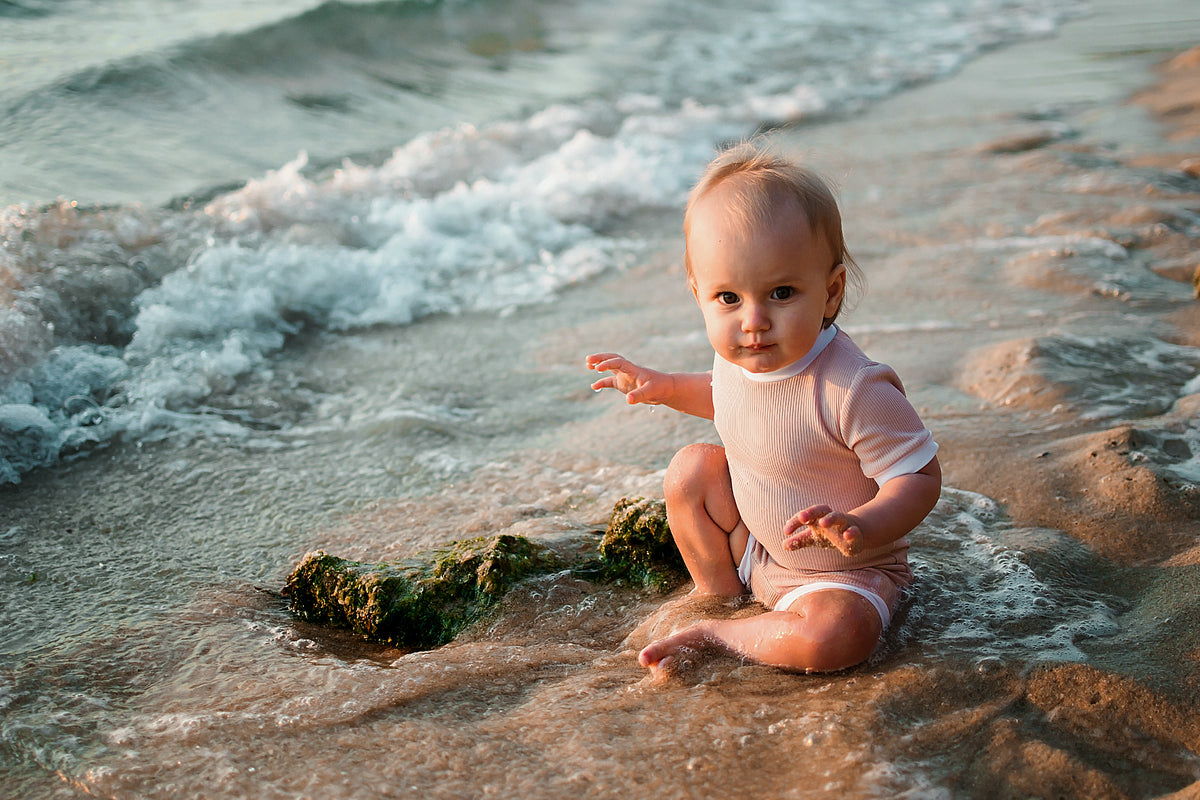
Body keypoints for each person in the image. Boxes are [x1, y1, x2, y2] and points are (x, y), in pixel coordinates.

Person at [586, 142, 941, 674]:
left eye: (780, 292)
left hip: (838, 576)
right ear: (698, 293)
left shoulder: (854, 389)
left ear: (830, 291)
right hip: (758, 547)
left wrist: (863, 525)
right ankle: (721, 596)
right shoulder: (745, 359)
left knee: (835, 640)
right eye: (729, 298)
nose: (753, 320)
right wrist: (660, 385)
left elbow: (920, 478)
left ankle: (721, 632)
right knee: (691, 471)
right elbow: (728, 399)